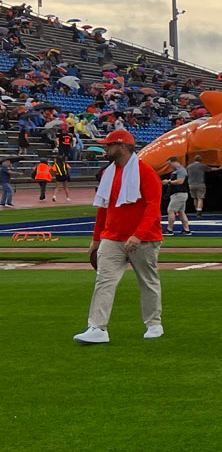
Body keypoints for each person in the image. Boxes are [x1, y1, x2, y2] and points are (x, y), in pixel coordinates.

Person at [73, 130, 165, 344]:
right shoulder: (108, 173)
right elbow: (103, 208)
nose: (105, 148)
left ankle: (153, 323)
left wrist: (138, 235)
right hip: (112, 237)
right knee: (104, 281)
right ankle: (97, 327)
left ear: (122, 146)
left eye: (109, 145)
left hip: (144, 239)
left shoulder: (146, 173)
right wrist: (96, 239)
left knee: (148, 281)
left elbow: (153, 208)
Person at [161, 156, 192, 235]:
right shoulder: (176, 170)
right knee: (181, 212)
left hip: (179, 194)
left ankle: (169, 229)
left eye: (169, 163)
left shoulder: (180, 170)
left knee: (171, 210)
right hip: (179, 194)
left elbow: (180, 181)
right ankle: (186, 229)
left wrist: (168, 182)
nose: (169, 166)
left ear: (173, 162)